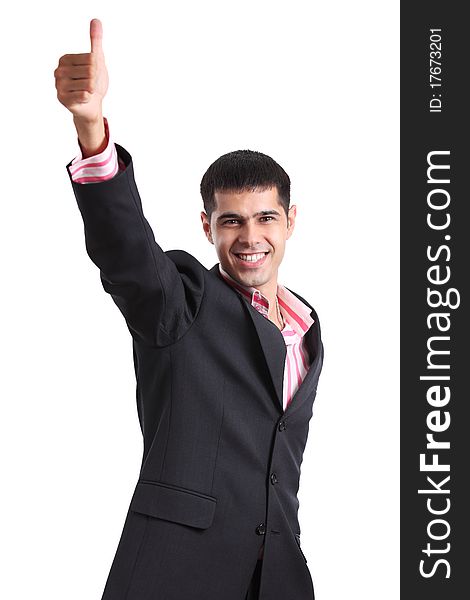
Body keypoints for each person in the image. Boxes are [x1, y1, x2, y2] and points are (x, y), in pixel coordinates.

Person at [54, 18, 324, 600]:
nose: (250, 236)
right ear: (207, 227)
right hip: (175, 575)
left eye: (265, 218)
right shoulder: (183, 304)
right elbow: (127, 254)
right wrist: (92, 131)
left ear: (290, 222)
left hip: (277, 579)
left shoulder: (306, 331)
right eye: (231, 220)